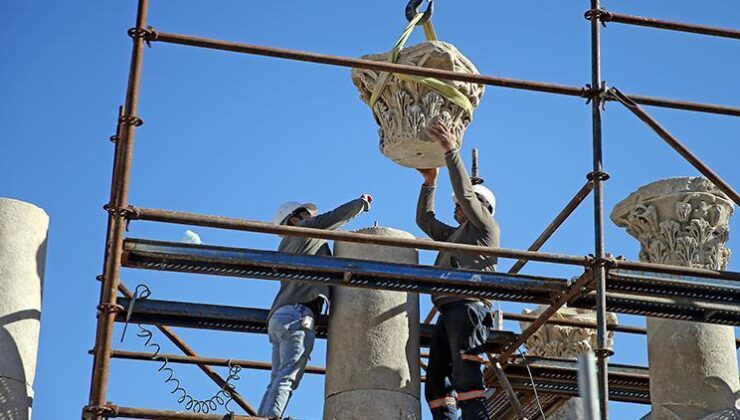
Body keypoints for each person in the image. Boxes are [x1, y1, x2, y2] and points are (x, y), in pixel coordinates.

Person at [257, 195, 373, 418]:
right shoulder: (305, 231)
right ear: (294, 219)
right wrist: (361, 204)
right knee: (288, 376)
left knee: (277, 377)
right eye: (308, 214)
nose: (314, 217)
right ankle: (270, 417)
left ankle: (262, 417)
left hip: (279, 316)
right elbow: (334, 218)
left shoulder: (288, 245)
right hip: (297, 315)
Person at [416, 121, 499, 420]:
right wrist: (430, 182)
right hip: (450, 311)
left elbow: (465, 193)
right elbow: (425, 222)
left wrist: (451, 150)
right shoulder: (456, 236)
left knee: (467, 381)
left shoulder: (484, 228)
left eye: (461, 205)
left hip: (468, 309)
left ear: (481, 206)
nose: (457, 207)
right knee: (437, 385)